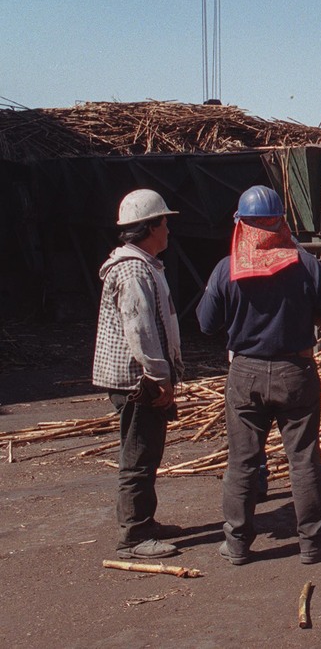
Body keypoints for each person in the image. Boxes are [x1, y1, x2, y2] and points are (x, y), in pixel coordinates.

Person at [196, 185, 321, 565]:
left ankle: (237, 545)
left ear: (240, 225)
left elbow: (206, 324)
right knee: (304, 459)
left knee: (243, 462)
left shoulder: (226, 268)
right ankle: (313, 543)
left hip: (244, 372)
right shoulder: (305, 263)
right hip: (295, 370)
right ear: (281, 222)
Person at [92, 188, 183, 560]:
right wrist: (159, 376)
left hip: (140, 377)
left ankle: (143, 521)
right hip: (136, 380)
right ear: (149, 228)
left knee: (146, 452)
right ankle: (133, 535)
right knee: (139, 456)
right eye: (164, 223)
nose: (168, 230)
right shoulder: (132, 270)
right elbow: (140, 329)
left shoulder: (143, 265)